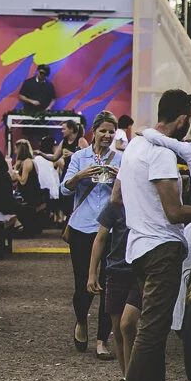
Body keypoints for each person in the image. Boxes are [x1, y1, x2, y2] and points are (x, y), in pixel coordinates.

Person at [116, 88, 191, 381]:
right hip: (162, 249)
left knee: (155, 332)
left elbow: (117, 196)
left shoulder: (134, 147)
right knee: (151, 333)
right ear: (181, 120)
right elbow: (175, 213)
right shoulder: (161, 153)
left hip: (138, 247)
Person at [63, 111, 122, 355]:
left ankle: (102, 341)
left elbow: (131, 193)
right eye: (103, 131)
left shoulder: (121, 159)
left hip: (111, 229)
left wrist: (121, 179)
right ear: (94, 132)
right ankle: (81, 322)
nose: (107, 135)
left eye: (111, 131)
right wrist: (80, 176)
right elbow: (65, 190)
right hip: (82, 227)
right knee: (82, 283)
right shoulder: (79, 156)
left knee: (110, 283)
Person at [90, 194, 141, 381]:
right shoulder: (115, 204)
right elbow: (100, 237)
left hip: (139, 270)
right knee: (118, 331)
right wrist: (92, 273)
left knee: (127, 325)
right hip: (115, 270)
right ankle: (128, 380)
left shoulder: (145, 199)